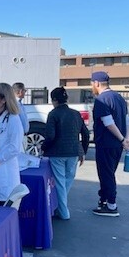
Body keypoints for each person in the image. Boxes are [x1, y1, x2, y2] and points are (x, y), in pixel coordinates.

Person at [42, 87, 91, 220]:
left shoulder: (53, 114)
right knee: (67, 180)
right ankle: (61, 208)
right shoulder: (76, 114)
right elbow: (85, 134)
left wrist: (43, 148)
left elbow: (50, 136)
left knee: (59, 182)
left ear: (54, 100)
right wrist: (83, 151)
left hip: (57, 153)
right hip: (73, 152)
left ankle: (63, 212)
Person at [90, 71, 129, 217]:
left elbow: (108, 122)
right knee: (109, 172)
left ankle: (111, 205)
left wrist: (122, 139)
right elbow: (128, 120)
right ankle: (103, 199)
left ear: (96, 83)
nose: (92, 86)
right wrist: (126, 139)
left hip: (106, 143)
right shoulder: (119, 97)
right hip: (117, 145)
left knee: (106, 174)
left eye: (92, 84)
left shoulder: (102, 100)